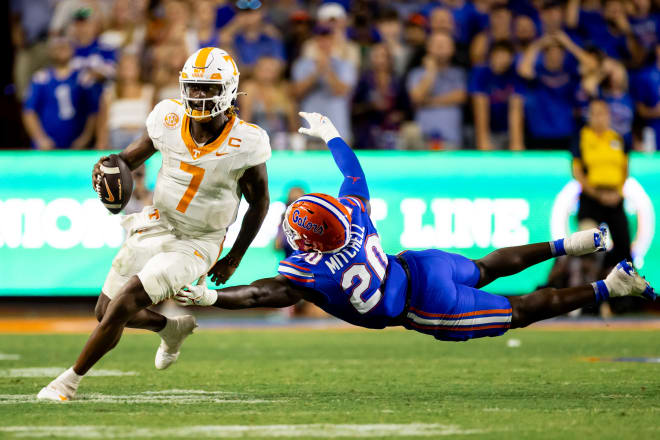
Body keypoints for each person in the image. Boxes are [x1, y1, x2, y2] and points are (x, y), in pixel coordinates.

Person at [175, 111, 655, 343]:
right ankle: (566, 244)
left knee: (520, 309)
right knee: (488, 266)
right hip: (419, 265)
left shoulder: (313, 272)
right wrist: (331, 133)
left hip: (426, 305)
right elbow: (351, 174)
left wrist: (212, 296)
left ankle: (607, 286)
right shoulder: (355, 216)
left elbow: (262, 294)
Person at [37, 47, 272, 401]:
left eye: (207, 89)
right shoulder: (168, 118)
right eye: (193, 87)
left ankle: (68, 381)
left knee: (125, 301)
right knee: (105, 311)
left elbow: (260, 203)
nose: (198, 95)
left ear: (228, 91)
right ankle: (170, 328)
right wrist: (107, 168)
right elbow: (127, 159)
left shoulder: (246, 142)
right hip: (157, 223)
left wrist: (234, 256)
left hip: (198, 240)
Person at [572, 100, 632, 270]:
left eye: (603, 113)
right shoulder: (581, 138)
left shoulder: (618, 139)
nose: (599, 118)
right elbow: (577, 172)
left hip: (614, 197)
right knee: (586, 245)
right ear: (589, 116)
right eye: (595, 113)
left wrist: (618, 192)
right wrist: (597, 194)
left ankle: (625, 292)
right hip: (591, 198)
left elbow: (625, 169)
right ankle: (586, 287)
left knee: (624, 247)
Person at [22, 35, 98, 150]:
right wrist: (40, 138)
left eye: (65, 47)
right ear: (50, 52)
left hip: (77, 146)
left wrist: (85, 138)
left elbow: (94, 111)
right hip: (47, 147)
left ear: (72, 49)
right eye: (58, 47)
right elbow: (29, 112)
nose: (62, 50)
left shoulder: (83, 78)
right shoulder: (40, 78)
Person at [291, 25, 357, 144]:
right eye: (320, 39)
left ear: (334, 41)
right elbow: (296, 93)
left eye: (328, 38)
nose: (324, 43)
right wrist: (316, 72)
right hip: (311, 133)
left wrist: (327, 69)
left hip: (338, 133)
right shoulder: (302, 64)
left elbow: (341, 91)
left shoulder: (345, 65)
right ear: (315, 41)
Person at [407, 31, 467, 149]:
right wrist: (431, 72)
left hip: (451, 139)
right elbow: (417, 98)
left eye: (444, 44)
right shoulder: (416, 73)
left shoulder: (459, 73)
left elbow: (461, 96)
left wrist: (429, 102)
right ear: (428, 48)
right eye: (436, 44)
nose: (440, 47)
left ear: (452, 48)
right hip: (422, 140)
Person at [469, 41, 524, 150]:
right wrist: (483, 140)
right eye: (498, 55)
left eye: (506, 55)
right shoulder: (480, 72)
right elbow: (480, 107)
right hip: (487, 130)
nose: (502, 59)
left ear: (512, 58)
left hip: (507, 130)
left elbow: (516, 109)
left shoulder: (515, 74)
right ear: (491, 56)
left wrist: (517, 142)